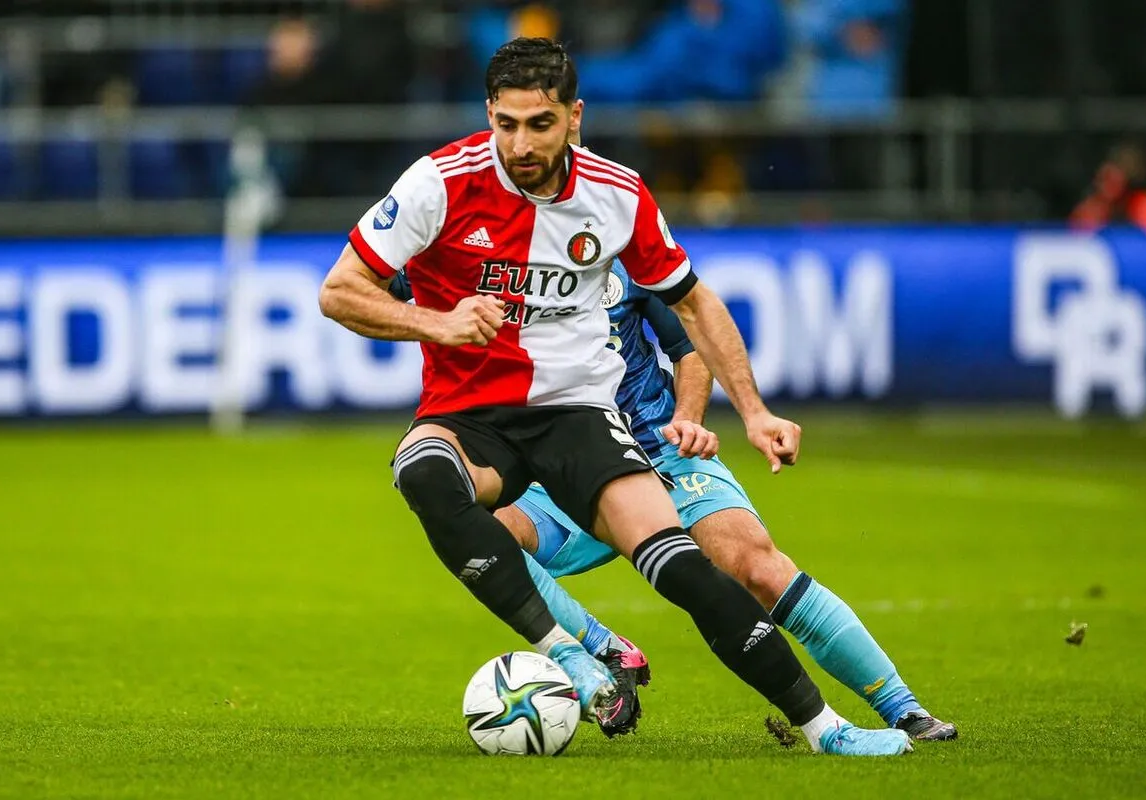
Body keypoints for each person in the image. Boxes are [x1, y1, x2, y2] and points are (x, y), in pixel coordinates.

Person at [319, 37, 910, 756]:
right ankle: (570, 653)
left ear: (575, 116)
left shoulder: (617, 193)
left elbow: (693, 304)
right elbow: (340, 291)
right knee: (422, 472)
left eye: (540, 124)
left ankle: (825, 730)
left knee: (685, 567)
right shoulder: (439, 182)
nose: (520, 144)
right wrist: (437, 322)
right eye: (506, 124)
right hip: (469, 415)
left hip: (577, 415)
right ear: (488, 113)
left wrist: (754, 411)